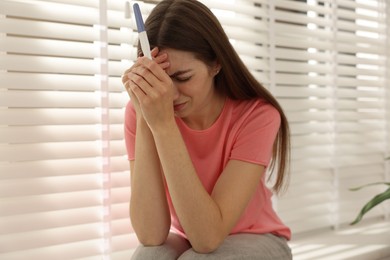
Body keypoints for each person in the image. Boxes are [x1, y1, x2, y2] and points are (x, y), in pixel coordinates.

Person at [122, 0, 292, 259]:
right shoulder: (144, 110)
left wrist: (164, 126)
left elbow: (207, 238)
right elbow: (150, 235)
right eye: (161, 81)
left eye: (183, 78)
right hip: (192, 235)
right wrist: (147, 120)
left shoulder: (258, 116)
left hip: (257, 237)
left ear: (216, 64)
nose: (169, 95)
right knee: (149, 256)